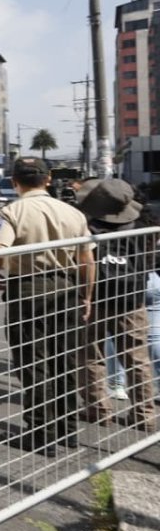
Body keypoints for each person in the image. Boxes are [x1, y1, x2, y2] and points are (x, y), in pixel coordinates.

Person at [0, 157, 96, 456]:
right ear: (48, 180)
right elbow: (87, 260)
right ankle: (68, 430)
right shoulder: (73, 213)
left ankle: (40, 434)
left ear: (14, 182)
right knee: (66, 360)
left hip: (28, 289)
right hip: (67, 289)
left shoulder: (10, 212)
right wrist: (85, 296)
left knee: (33, 363)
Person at [76, 179, 157, 431]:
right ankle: (144, 415)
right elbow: (149, 257)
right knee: (137, 358)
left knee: (91, 355)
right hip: (132, 298)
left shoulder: (87, 225)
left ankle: (99, 410)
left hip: (95, 298)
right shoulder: (144, 224)